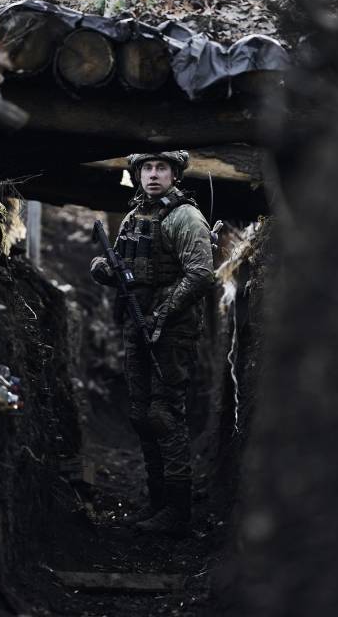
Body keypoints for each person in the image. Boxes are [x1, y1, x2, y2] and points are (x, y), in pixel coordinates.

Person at [89, 151, 214, 537]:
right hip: (137, 325)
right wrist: (104, 270)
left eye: (161, 168)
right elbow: (127, 267)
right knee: (141, 414)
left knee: (164, 415)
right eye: (147, 168)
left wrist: (163, 313)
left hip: (171, 331)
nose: (154, 174)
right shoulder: (133, 217)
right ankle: (157, 501)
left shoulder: (185, 217)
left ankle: (178, 510)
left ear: (175, 174)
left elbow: (201, 273)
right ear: (137, 174)